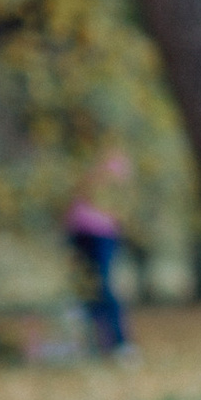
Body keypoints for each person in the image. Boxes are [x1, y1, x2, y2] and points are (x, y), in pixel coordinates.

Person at [65, 147, 136, 358]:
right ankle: (93, 345)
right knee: (84, 289)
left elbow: (121, 194)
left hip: (102, 232)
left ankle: (119, 342)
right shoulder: (73, 153)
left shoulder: (112, 155)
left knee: (104, 286)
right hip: (78, 230)